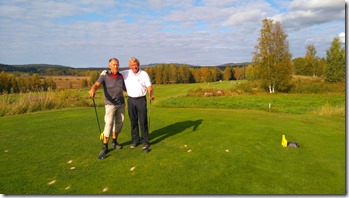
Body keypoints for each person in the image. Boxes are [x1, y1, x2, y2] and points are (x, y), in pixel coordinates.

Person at [89, 58, 126, 159]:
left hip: (121, 104)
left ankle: (114, 142)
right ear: (109, 66)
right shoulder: (105, 75)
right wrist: (93, 89)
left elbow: (124, 88)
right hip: (110, 104)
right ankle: (105, 145)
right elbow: (97, 84)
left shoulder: (120, 76)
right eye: (114, 65)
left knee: (119, 123)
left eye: (117, 65)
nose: (116, 66)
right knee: (109, 124)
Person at [120, 57, 154, 153]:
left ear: (138, 65)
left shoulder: (144, 74)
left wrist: (151, 94)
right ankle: (135, 140)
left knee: (143, 121)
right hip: (130, 100)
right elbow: (115, 73)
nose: (134, 67)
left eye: (136, 65)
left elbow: (149, 87)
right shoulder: (126, 73)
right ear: (130, 66)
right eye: (132, 65)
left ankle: (145, 141)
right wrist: (105, 72)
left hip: (141, 100)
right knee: (133, 121)